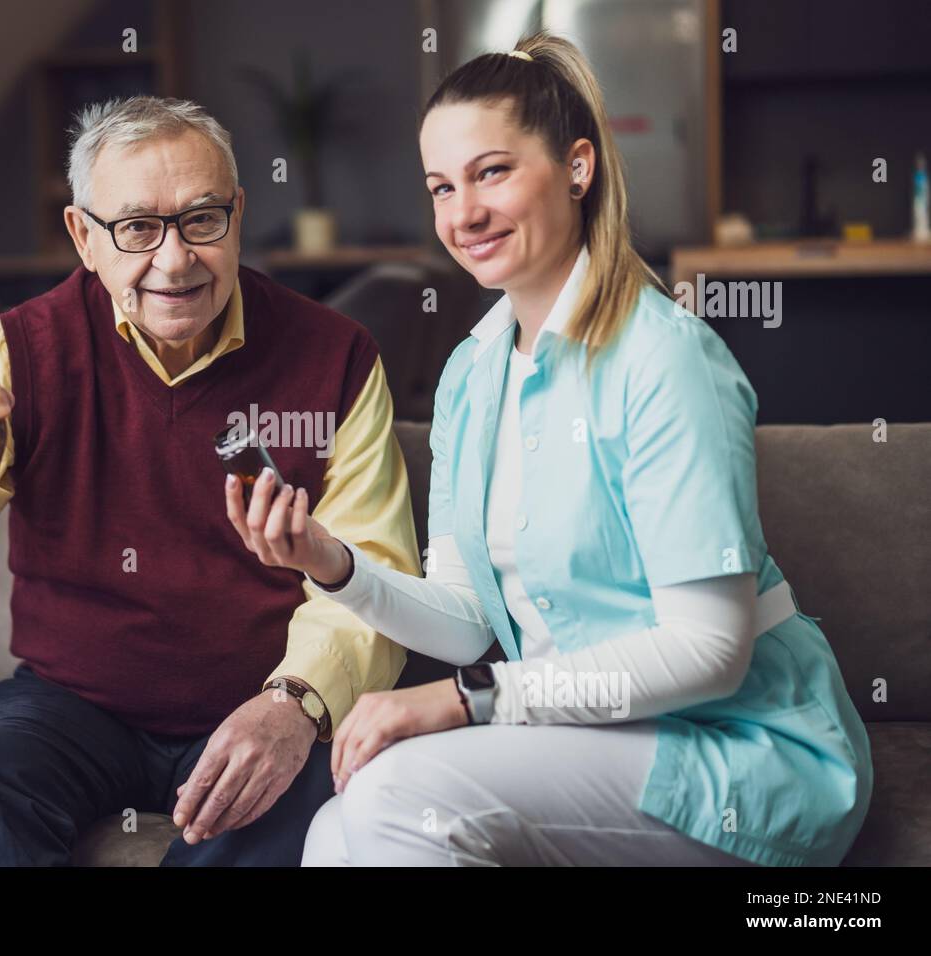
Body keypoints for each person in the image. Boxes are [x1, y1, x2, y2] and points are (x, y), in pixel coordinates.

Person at [227, 32, 872, 867]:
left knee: (394, 795)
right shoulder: (471, 374)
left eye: (493, 171)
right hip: (595, 740)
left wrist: (469, 703)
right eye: (441, 187)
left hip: (742, 750)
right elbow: (466, 624)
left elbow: (711, 651)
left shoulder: (663, 355)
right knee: (333, 829)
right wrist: (330, 562)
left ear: (578, 166)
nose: (463, 213)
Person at [0, 95, 421, 866]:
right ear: (83, 237)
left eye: (202, 219)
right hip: (72, 705)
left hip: (261, 693)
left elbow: (377, 571)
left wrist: (294, 704)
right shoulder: (19, 354)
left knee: (314, 799)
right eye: (136, 227)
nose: (175, 258)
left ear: (240, 216)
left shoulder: (338, 355)